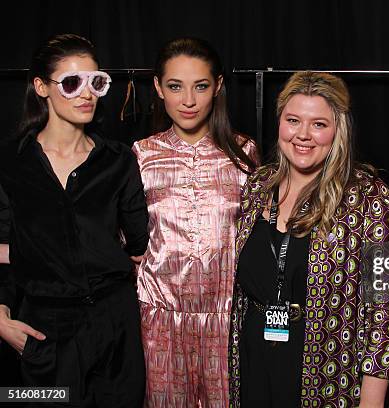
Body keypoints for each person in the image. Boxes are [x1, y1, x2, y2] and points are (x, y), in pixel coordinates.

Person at [228, 71, 389, 407]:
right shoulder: (258, 186)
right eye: (293, 120)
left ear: (338, 131)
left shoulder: (369, 198)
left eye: (319, 124)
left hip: (327, 369)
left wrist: (373, 400)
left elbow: (384, 311)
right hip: (254, 358)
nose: (303, 135)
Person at [0, 34, 149, 407]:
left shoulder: (119, 160)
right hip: (44, 328)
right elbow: (4, 245)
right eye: (71, 83)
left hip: (114, 325)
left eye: (95, 82)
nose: (87, 94)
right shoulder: (11, 162)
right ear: (41, 88)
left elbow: (137, 244)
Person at [132, 37, 258, 408]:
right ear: (158, 88)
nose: (188, 100)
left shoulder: (244, 152)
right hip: (159, 320)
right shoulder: (142, 154)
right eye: (175, 86)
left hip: (227, 317)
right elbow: (122, 234)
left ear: (218, 86)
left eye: (200, 86)